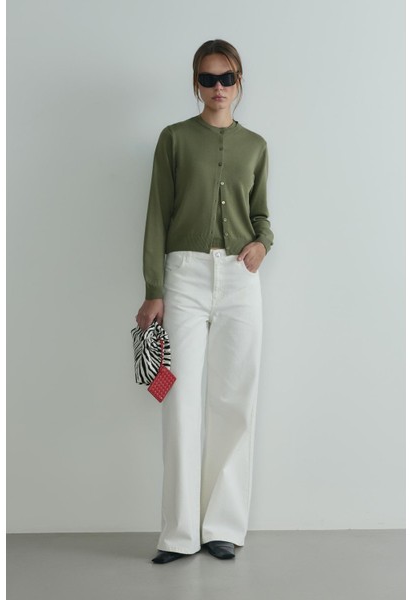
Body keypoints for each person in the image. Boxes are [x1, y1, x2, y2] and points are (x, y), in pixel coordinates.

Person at [136, 39, 274, 564]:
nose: (218, 88)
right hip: (184, 277)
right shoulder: (173, 139)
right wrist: (154, 288)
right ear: (195, 83)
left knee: (235, 400)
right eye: (208, 78)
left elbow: (261, 214)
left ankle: (222, 527)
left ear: (239, 82)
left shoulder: (256, 145)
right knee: (177, 399)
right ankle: (178, 533)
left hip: (240, 278)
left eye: (227, 78)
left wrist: (263, 243)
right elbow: (156, 214)